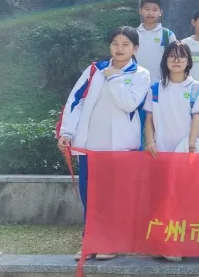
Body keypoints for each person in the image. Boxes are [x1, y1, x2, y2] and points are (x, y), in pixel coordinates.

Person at [57, 26, 150, 261]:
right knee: (91, 196)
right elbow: (75, 101)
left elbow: (129, 104)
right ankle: (89, 243)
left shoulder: (140, 74)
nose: (119, 49)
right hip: (90, 147)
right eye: (115, 43)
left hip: (121, 148)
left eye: (125, 44)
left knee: (115, 196)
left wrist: (114, 77)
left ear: (135, 49)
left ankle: (111, 243)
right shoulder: (94, 70)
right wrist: (67, 131)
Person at [144, 40, 199, 155]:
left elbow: (197, 119)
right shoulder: (155, 89)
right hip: (160, 151)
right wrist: (150, 142)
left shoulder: (196, 88)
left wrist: (191, 145)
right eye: (171, 56)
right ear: (165, 60)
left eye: (181, 56)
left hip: (185, 151)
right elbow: (149, 119)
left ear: (188, 61)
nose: (176, 60)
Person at [136, 0, 175, 83]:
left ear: (160, 12)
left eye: (155, 10)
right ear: (140, 11)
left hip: (160, 84)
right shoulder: (133, 34)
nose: (150, 13)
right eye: (147, 9)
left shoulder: (168, 35)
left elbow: (174, 60)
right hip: (136, 84)